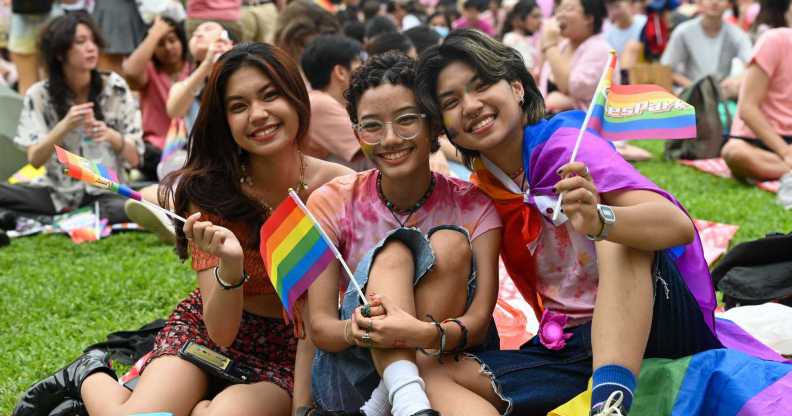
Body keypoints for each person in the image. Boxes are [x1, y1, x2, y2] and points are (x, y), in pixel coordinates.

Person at [12, 42, 353, 416]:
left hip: (288, 353)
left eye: (270, 96)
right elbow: (221, 331)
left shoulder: (341, 189)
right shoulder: (210, 193)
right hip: (210, 333)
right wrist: (231, 266)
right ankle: (89, 374)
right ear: (224, 121)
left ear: (296, 98)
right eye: (238, 106)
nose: (258, 114)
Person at [415, 29, 723, 415]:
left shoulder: (566, 146)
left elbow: (675, 224)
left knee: (616, 235)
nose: (471, 105)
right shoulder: (483, 192)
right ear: (446, 127)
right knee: (433, 374)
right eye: (452, 101)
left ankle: (609, 404)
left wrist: (600, 220)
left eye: (481, 86)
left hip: (662, 324)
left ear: (516, 87)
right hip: (570, 345)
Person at [304, 51, 502, 416]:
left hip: (446, 358)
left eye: (407, 120)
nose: (390, 139)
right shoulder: (331, 202)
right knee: (395, 252)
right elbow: (320, 327)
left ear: (435, 127)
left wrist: (416, 334)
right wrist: (356, 330)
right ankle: (403, 396)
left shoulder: (474, 207)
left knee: (448, 243)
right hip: (354, 374)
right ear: (356, 133)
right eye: (372, 126)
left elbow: (477, 324)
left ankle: (397, 397)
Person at [0, 12, 142, 225]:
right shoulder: (39, 95)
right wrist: (64, 126)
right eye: (80, 42)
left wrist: (110, 135)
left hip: (107, 190)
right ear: (59, 53)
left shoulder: (115, 87)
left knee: (133, 203)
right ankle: (67, 217)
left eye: (93, 40)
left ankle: (28, 219)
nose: (91, 47)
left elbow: (136, 159)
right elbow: (35, 160)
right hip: (56, 193)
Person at [721, 21, 792, 205]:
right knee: (734, 153)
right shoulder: (774, 40)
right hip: (760, 139)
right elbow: (747, 108)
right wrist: (784, 151)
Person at [122, 16, 192, 182]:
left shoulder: (195, 69)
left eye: (172, 40)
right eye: (160, 44)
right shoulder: (149, 72)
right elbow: (131, 72)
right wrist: (154, 34)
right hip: (156, 150)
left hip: (192, 147)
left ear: (182, 40)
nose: (168, 48)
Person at [300, 34, 372, 171]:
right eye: (360, 65)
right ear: (340, 72)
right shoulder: (319, 104)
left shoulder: (319, 99)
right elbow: (373, 146)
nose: (367, 72)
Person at [660, 0, 752, 99]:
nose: (714, 2)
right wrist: (694, 87)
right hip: (690, 97)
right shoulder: (683, 32)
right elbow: (666, 68)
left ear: (729, 4)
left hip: (723, 97)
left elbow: (751, 67)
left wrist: (735, 81)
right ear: (699, 2)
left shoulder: (737, 34)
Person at [501, 0, 544, 78]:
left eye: (540, 16)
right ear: (520, 19)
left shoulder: (527, 39)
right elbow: (530, 76)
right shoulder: (513, 39)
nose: (539, 21)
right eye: (535, 16)